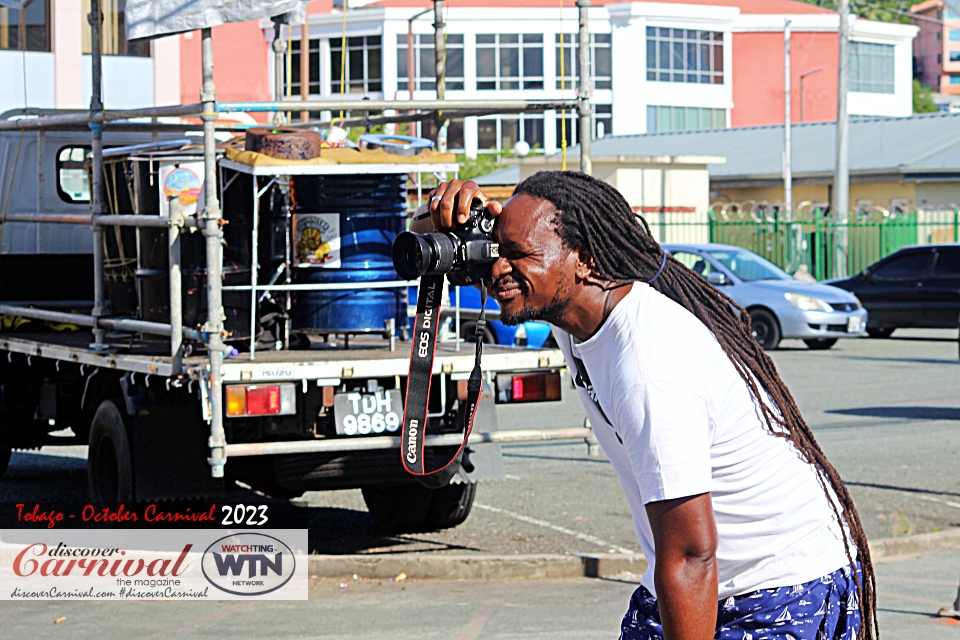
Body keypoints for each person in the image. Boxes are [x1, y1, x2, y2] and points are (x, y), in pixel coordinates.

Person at [421, 172, 876, 640]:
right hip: (705, 574)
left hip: (780, 584)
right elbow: (424, 244)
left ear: (585, 261)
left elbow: (693, 555)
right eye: (499, 252)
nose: (498, 269)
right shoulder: (573, 310)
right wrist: (444, 212)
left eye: (518, 255)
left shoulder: (649, 362)